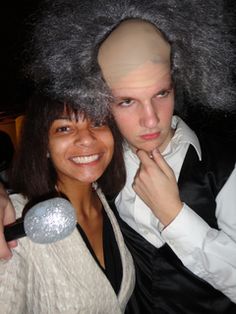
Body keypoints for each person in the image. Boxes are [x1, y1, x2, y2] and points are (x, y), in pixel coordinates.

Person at [0, 0, 236, 312]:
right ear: (103, 102)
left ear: (178, 84)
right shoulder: (102, 167)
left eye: (161, 94)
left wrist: (175, 216)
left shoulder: (225, 166)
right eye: (126, 101)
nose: (150, 120)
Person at [0, 94, 135, 314]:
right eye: (64, 128)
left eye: (98, 122)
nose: (87, 138)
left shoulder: (115, 203)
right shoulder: (15, 220)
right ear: (43, 144)